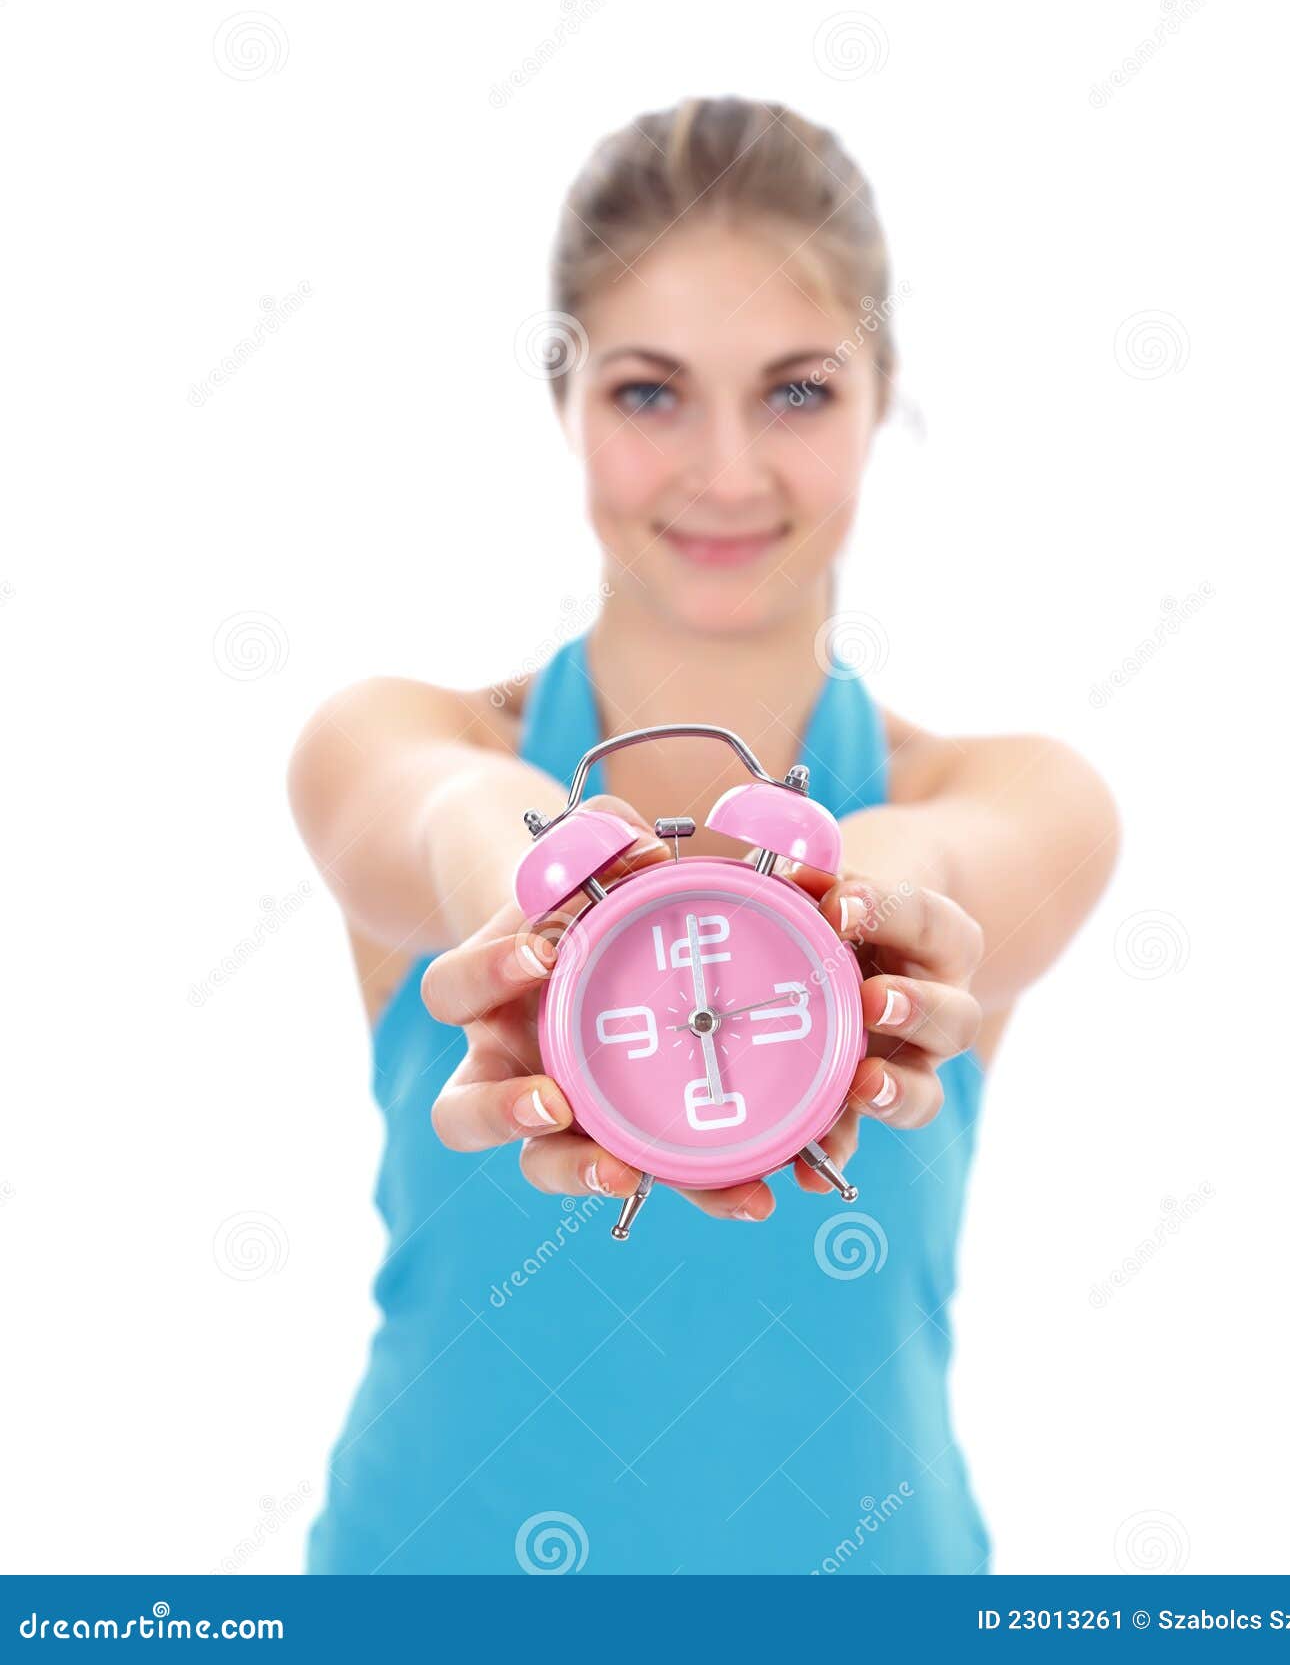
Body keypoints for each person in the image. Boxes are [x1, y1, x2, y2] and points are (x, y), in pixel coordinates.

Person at [288, 95, 1120, 1575]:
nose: (725, 471)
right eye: (651, 392)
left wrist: (852, 901)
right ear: (569, 402)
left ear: (881, 395)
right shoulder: (411, 746)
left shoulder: (1012, 794)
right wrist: (532, 893)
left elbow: (946, 865)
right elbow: (441, 819)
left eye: (795, 391)